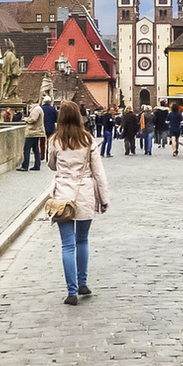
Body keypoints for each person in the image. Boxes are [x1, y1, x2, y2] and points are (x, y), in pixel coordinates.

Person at [45, 101, 110, 305]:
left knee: (67, 245)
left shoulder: (55, 140)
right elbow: (98, 172)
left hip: (63, 195)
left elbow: (51, 165)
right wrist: (104, 198)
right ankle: (83, 283)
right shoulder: (88, 139)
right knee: (82, 240)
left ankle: (71, 292)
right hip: (84, 194)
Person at [19, 101, 44, 172]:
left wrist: (26, 120)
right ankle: (37, 165)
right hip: (36, 132)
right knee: (35, 149)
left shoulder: (36, 110)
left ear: (32, 103)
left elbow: (33, 119)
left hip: (32, 132)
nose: (29, 107)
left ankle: (25, 165)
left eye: (29, 105)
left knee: (26, 148)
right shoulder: (39, 109)